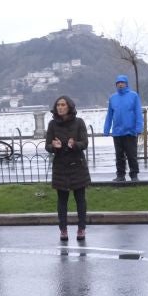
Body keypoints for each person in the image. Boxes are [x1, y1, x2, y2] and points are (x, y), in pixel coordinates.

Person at [46, 95, 89, 242]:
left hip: (77, 164)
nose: (60, 107)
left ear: (69, 106)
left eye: (63, 105)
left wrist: (74, 145)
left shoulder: (79, 122)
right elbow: (48, 146)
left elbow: (85, 143)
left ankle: (81, 228)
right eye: (58, 105)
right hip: (61, 166)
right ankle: (63, 229)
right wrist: (54, 147)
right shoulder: (52, 124)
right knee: (62, 200)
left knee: (80, 200)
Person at [104, 74, 143, 182]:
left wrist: (139, 128)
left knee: (132, 155)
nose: (120, 84)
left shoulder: (134, 96)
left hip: (130, 131)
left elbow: (138, 112)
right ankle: (120, 175)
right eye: (118, 83)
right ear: (116, 85)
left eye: (122, 82)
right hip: (117, 132)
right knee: (119, 156)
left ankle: (134, 175)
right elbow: (109, 115)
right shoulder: (112, 98)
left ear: (126, 84)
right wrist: (106, 129)